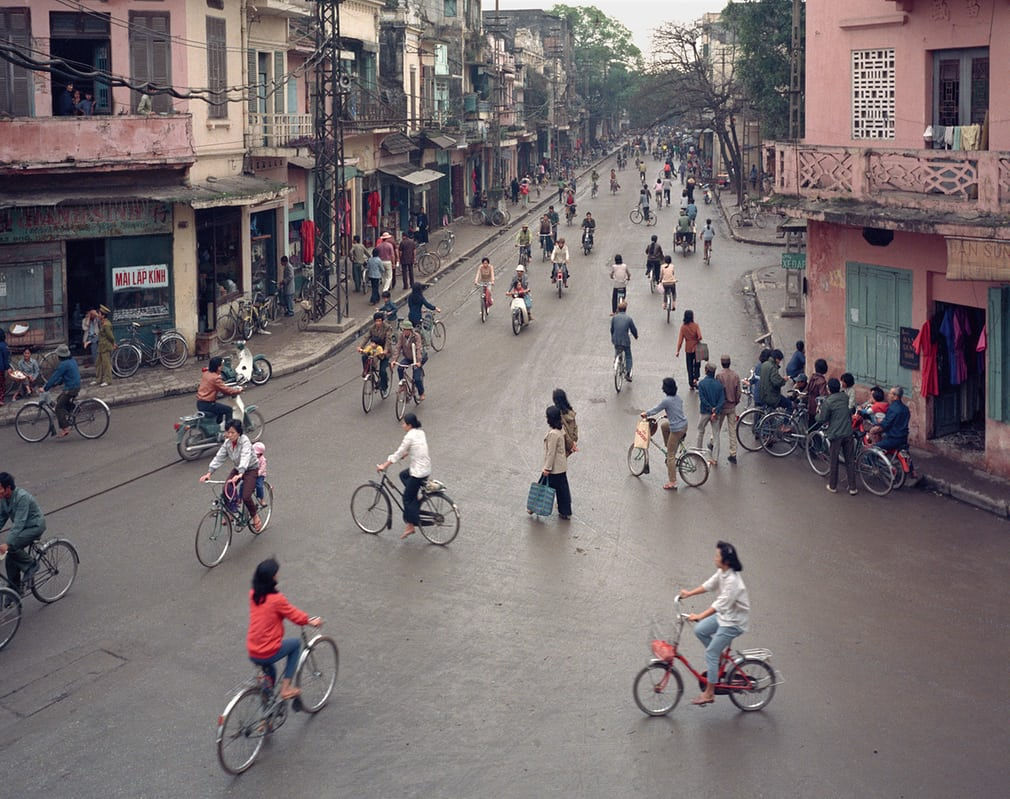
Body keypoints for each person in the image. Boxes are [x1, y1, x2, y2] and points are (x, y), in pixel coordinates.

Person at [678, 540, 750, 706]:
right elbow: (709, 585)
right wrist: (689, 594)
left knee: (710, 653)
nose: (714, 557)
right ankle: (718, 658)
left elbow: (720, 605)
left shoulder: (733, 582)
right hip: (726, 615)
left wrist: (700, 615)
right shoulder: (722, 572)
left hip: (734, 622)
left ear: (726, 561)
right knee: (700, 630)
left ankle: (709, 693)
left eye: (717, 556)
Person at [246, 558, 322, 700]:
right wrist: (310, 621)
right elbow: (294, 615)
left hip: (253, 649)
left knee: (270, 677)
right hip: (266, 650)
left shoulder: (253, 594)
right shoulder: (276, 600)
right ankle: (286, 689)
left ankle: (265, 719)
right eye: (276, 573)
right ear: (272, 578)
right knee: (295, 644)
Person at [200, 419, 262, 531]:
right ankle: (231, 513)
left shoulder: (245, 441)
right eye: (227, 432)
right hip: (238, 469)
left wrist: (241, 473)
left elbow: (245, 456)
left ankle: (255, 516)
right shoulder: (227, 443)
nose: (229, 435)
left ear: (239, 433)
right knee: (226, 489)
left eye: (232, 433)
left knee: (246, 496)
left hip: (250, 469)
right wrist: (209, 472)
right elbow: (219, 457)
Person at [377, 413, 430, 538]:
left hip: (418, 472)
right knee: (403, 475)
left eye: (404, 423)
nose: (402, 425)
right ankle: (415, 496)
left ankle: (410, 525)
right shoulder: (420, 433)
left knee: (406, 498)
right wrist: (408, 452)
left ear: (409, 425)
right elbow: (418, 447)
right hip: (425, 468)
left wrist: (384, 465)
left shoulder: (409, 437)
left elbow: (398, 453)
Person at [0, 473, 46, 592]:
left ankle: (32, 565)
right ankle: (15, 587)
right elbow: (1, 518)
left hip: (34, 527)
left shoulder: (22, 497)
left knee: (11, 546)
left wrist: (7, 543)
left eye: (0, 488)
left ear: (8, 487)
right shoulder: (4, 499)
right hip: (23, 528)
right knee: (9, 556)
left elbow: (18, 524)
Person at [641, 377, 689, 490]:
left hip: (677, 429)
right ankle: (670, 446)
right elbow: (677, 410)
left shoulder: (666, 401)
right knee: (663, 426)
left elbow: (656, 409)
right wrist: (670, 415)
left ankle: (673, 482)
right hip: (684, 425)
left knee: (670, 456)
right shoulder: (678, 398)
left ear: (666, 388)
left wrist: (646, 414)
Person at [817, 378, 858, 495]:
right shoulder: (845, 397)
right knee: (850, 460)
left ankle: (833, 486)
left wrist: (817, 415)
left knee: (834, 460)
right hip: (848, 432)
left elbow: (822, 418)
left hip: (836, 435)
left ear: (829, 389)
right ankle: (853, 487)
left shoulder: (828, 402)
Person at [42, 344, 81, 437]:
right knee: (60, 399)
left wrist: (45, 388)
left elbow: (54, 376)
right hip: (76, 386)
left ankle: (65, 428)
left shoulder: (63, 365)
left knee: (58, 408)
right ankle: (74, 408)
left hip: (71, 388)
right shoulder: (72, 361)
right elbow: (65, 376)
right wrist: (57, 384)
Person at [541, 405, 572, 520]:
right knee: (562, 490)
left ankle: (535, 506)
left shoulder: (553, 434)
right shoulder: (560, 430)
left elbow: (551, 453)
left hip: (554, 469)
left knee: (543, 486)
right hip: (561, 467)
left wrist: (547, 468)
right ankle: (565, 511)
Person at [196, 355, 242, 425]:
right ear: (217, 367)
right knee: (228, 410)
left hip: (200, 403)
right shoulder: (215, 378)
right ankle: (229, 430)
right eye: (221, 366)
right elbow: (226, 390)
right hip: (208, 404)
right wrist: (238, 390)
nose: (222, 368)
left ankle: (217, 428)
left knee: (220, 410)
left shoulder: (206, 373)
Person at [696, 362, 725, 467]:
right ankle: (715, 458)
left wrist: (710, 408)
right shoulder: (719, 385)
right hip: (715, 415)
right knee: (716, 435)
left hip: (704, 412)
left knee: (700, 431)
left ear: (706, 371)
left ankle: (698, 452)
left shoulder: (702, 384)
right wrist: (715, 410)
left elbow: (702, 399)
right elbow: (722, 400)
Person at [714, 355, 741, 465]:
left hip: (722, 407)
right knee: (732, 430)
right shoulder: (735, 375)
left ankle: (712, 444)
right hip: (731, 406)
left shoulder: (719, 376)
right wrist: (735, 402)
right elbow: (738, 392)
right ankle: (733, 453)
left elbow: (717, 392)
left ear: (721, 363)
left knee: (717, 428)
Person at [393, 321, 427, 401]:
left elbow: (419, 348)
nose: (405, 331)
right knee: (400, 368)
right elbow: (398, 348)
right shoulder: (402, 336)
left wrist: (418, 361)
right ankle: (402, 385)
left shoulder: (416, 336)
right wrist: (394, 360)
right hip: (408, 357)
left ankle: (421, 393)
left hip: (417, 358)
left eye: (406, 330)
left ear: (410, 330)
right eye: (403, 329)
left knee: (417, 378)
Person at [357, 312, 391, 393]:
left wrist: (385, 350)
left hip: (383, 351)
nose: (378, 323)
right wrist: (360, 347)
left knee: (383, 371)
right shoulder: (372, 328)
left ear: (382, 321)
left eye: (379, 321)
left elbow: (388, 340)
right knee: (364, 356)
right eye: (376, 321)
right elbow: (366, 337)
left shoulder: (387, 327)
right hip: (373, 349)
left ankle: (384, 386)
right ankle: (367, 371)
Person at [873, 386, 910, 452]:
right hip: (904, 438)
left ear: (895, 397)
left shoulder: (892, 408)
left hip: (894, 439)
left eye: (890, 393)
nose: (888, 395)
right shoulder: (906, 409)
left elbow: (886, 424)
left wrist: (875, 429)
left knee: (873, 448)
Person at [610, 300, 638, 382]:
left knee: (617, 350)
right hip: (625, 341)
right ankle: (628, 373)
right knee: (628, 356)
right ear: (625, 309)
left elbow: (612, 329)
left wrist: (613, 337)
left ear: (618, 309)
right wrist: (636, 336)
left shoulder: (614, 318)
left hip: (616, 340)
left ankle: (616, 360)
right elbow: (633, 329)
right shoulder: (628, 319)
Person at [675, 310, 703, 389]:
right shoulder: (696, 325)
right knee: (697, 365)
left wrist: (678, 351)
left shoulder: (683, 327)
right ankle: (695, 378)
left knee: (689, 366)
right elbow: (700, 336)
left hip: (688, 349)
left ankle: (691, 383)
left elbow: (680, 341)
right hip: (697, 348)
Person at [93, 304, 114, 387]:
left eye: (99, 314)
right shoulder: (102, 323)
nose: (98, 315)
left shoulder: (106, 325)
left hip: (105, 347)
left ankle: (108, 380)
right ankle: (99, 379)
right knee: (98, 363)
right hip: (101, 347)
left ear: (103, 315)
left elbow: (110, 336)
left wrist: (113, 343)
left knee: (106, 364)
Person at [553, 388, 578, 455]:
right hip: (570, 447)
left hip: (561, 446)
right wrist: (574, 443)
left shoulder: (557, 414)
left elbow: (563, 431)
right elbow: (575, 428)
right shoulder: (571, 412)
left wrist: (571, 446)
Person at [806, 358, 829, 424]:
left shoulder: (812, 377)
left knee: (811, 424)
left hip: (810, 404)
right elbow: (823, 396)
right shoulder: (822, 381)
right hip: (817, 407)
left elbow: (808, 389)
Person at [0, 330, 8, 405]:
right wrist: (7, 367)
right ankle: (1, 400)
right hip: (0, 368)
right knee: (1, 384)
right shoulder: (3, 345)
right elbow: (5, 358)